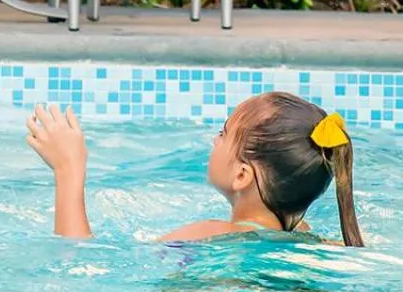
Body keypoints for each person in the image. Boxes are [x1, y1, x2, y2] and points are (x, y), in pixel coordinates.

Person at [26, 92, 363, 246]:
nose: (214, 140)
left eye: (223, 133)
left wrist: (68, 169)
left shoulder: (209, 235)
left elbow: (84, 260)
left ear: (242, 175)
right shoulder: (311, 240)